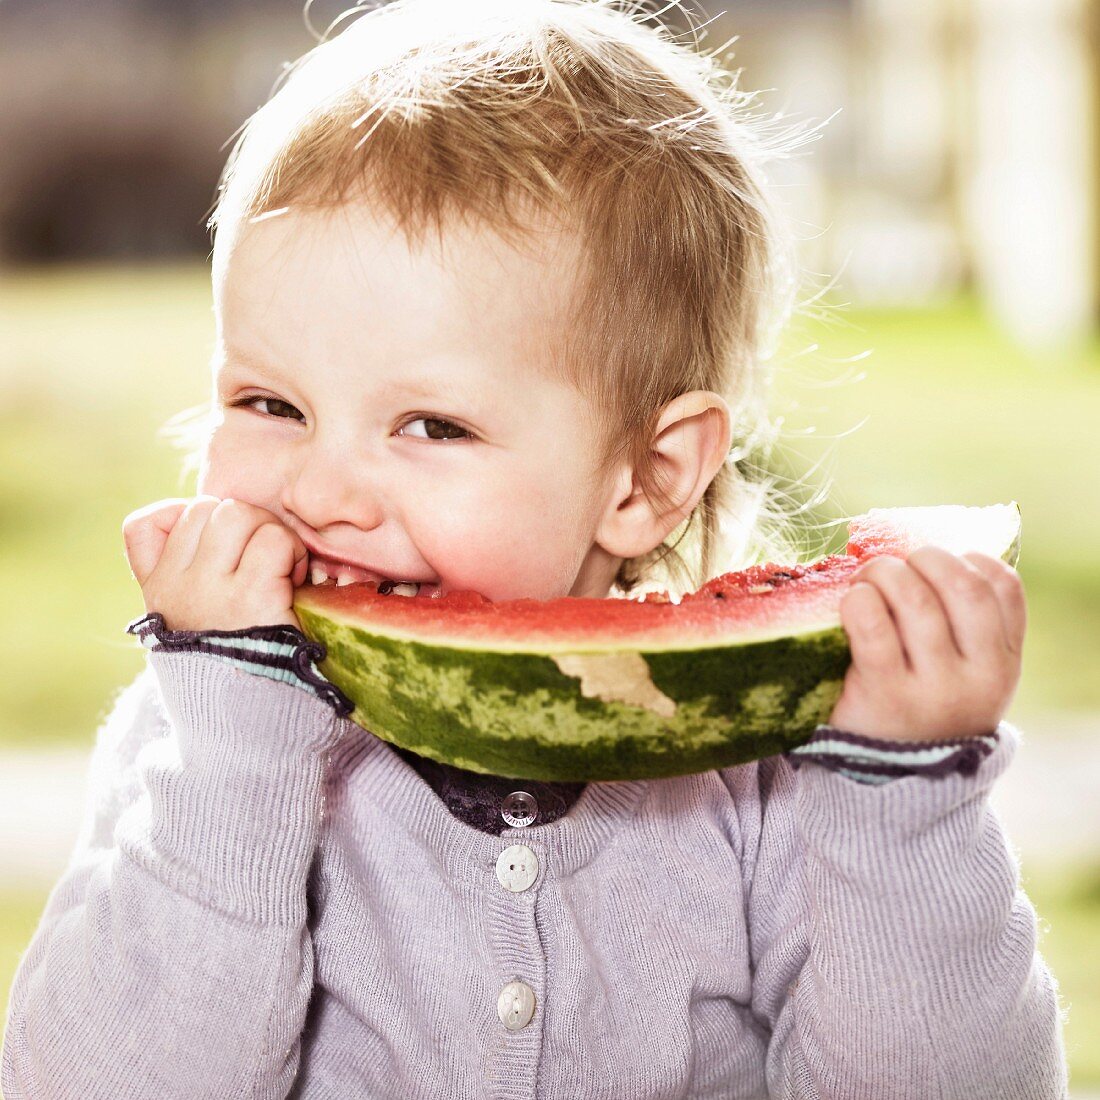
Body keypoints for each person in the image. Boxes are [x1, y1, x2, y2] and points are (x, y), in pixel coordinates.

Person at [1, 1, 1068, 1096]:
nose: (319, 492)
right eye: (270, 402)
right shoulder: (205, 738)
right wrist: (233, 751)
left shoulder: (763, 774)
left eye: (431, 425)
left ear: (646, 476)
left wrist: (900, 807)